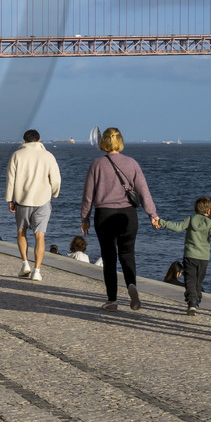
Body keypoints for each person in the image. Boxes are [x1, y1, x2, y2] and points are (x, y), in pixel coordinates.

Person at [79, 127, 160, 311]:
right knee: (127, 254)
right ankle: (131, 284)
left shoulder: (97, 164)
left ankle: (112, 299)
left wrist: (85, 218)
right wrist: (152, 215)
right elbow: (144, 191)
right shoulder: (132, 163)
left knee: (109, 257)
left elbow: (88, 195)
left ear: (104, 142)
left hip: (104, 214)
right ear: (120, 141)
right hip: (128, 215)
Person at [5, 128, 62, 282]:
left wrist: (10, 199)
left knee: (21, 232)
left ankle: (25, 263)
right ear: (39, 140)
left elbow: (11, 179)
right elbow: (56, 179)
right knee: (40, 236)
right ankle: (37, 270)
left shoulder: (16, 155)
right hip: (42, 200)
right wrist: (54, 193)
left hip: (22, 200)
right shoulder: (48, 156)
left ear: (24, 141)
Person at [156, 196, 211, 314]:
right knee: (198, 281)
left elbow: (177, 227)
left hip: (189, 256)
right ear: (209, 211)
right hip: (204, 258)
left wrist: (161, 222)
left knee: (190, 280)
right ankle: (196, 300)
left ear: (196, 208)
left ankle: (192, 303)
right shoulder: (209, 223)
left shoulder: (190, 219)